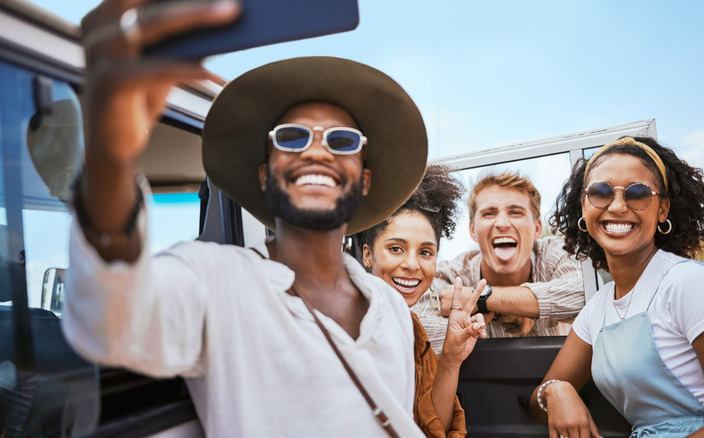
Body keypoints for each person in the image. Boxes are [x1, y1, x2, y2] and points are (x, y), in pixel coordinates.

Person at [62, 1, 430, 436]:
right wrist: (111, 157)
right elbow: (110, 322)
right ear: (264, 175)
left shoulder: (390, 307)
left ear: (364, 180)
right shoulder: (215, 281)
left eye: (342, 140)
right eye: (291, 138)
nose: (315, 150)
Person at [532, 136, 704, 437]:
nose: (618, 206)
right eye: (601, 192)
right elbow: (536, 403)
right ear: (584, 206)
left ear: (662, 210)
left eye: (637, 193)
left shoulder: (688, 283)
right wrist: (556, 391)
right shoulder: (598, 309)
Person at [359, 165, 487, 437]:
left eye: (426, 252)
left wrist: (451, 359)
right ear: (368, 255)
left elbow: (433, 426)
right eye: (396, 248)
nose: (412, 264)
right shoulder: (351, 318)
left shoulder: (411, 326)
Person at [413, 170, 586, 354]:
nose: (502, 223)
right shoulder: (449, 274)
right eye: (489, 213)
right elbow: (421, 336)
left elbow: (585, 295)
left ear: (537, 229)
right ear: (473, 230)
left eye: (515, 212)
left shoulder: (558, 252)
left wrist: (486, 300)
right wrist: (475, 324)